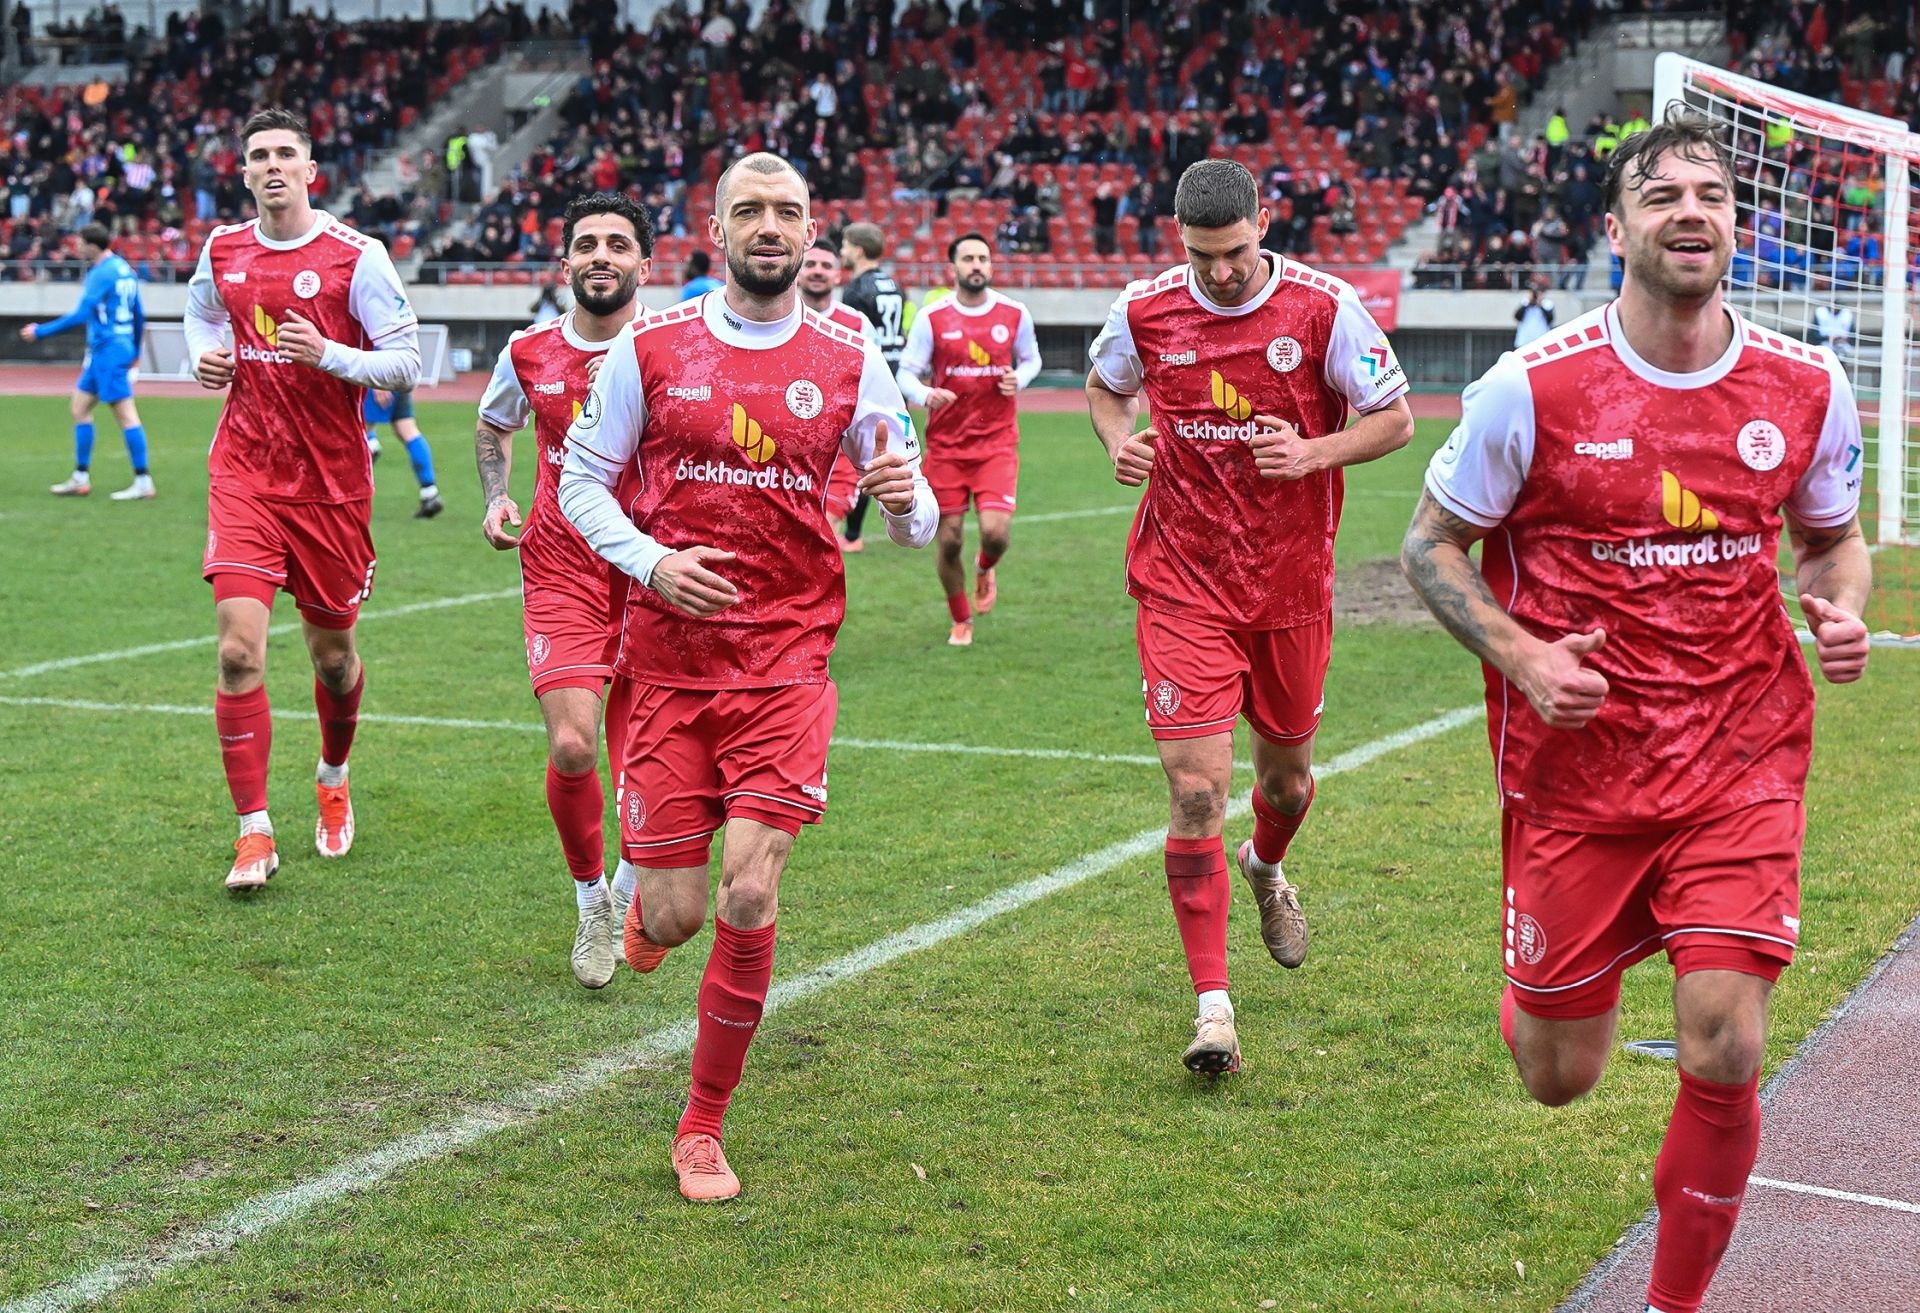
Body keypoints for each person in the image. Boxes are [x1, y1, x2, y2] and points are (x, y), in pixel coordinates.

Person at [1400, 111, 1871, 1313]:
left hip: (1741, 751)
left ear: (1739, 223)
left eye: (1710, 192)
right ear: (1616, 231)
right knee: (1558, 1073)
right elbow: (1430, 544)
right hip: (1578, 776)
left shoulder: (1807, 388)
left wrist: (1838, 605)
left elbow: (1831, 539)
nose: (1691, 211)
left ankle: (1672, 1304)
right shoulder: (1533, 389)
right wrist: (1522, 656)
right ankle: (1540, 986)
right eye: (1661, 195)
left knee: (1726, 1038)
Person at [558, 152, 936, 1202]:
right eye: (749, 211)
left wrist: (906, 501)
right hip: (672, 669)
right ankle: (641, 915)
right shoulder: (650, 346)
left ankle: (701, 1126)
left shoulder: (853, 349)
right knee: (676, 915)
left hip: (787, 663)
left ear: (813, 233)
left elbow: (916, 522)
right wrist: (651, 561)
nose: (770, 226)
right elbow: (580, 481)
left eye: (788, 211)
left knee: (753, 886)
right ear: (716, 232)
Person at [1085, 158, 1414, 1075]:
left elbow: (1393, 420)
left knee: (1286, 787)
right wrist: (1122, 439)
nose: (1221, 273)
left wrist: (1316, 451)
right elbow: (1106, 386)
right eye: (1202, 256)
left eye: (1234, 254)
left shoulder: (1322, 308)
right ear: (1177, 237)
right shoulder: (1146, 308)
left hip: (1290, 589)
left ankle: (1265, 868)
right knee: (1194, 790)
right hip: (1182, 578)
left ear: (1263, 223)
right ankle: (1214, 1009)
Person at [184, 108, 422, 892]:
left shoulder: (358, 256)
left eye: (287, 153)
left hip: (330, 487)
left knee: (334, 656)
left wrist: (332, 355)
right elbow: (199, 313)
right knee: (236, 651)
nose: (274, 165)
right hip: (246, 471)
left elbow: (405, 362)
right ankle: (254, 832)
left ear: (311, 170)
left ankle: (332, 772)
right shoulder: (222, 249)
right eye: (259, 155)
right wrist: (203, 358)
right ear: (245, 171)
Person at [476, 192, 654, 989]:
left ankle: (625, 890)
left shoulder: (674, 346)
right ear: (566, 262)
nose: (601, 255)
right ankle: (590, 902)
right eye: (587, 243)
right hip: (562, 564)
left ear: (644, 264)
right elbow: (492, 424)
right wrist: (495, 494)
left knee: (648, 764)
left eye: (618, 243)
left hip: (657, 572)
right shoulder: (528, 351)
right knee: (575, 745)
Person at [895, 231, 1040, 645]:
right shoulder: (933, 317)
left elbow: (1032, 358)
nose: (976, 265)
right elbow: (906, 372)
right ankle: (961, 618)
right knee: (950, 538)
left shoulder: (1014, 313)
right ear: (953, 267)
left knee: (996, 534)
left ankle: (984, 567)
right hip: (946, 448)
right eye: (968, 258)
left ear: (990, 266)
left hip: (996, 443)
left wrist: (1021, 377)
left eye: (983, 258)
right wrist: (926, 394)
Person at [26, 223, 152, 500]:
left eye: (80, 243)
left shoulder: (101, 273)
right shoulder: (124, 269)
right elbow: (138, 314)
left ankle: (143, 480)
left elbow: (81, 314)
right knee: (79, 407)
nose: (77, 248)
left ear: (92, 245)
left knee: (126, 415)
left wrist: (40, 331)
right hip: (109, 350)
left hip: (109, 350)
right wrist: (135, 349)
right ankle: (80, 477)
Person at [795, 237, 880, 552]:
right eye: (811, 264)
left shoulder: (857, 325)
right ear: (798, 272)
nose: (818, 271)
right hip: (784, 449)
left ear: (838, 275)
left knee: (820, 537)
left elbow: (874, 384)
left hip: (840, 450)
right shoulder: (777, 319)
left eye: (826, 266)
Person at [837, 220, 910, 548]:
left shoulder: (857, 288)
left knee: (861, 453)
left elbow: (851, 333)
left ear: (858, 250)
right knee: (884, 450)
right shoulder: (895, 284)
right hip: (894, 370)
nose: (842, 251)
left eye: (845, 245)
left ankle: (851, 533)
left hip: (870, 373)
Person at [363, 388, 444, 517]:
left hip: (378, 380)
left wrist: (380, 385)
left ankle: (347, 497)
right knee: (407, 430)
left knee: (359, 431)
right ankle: (430, 493)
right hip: (398, 378)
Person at [1514, 280, 1555, 347]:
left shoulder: (1547, 304)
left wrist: (1540, 305)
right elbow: (1517, 317)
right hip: (1524, 341)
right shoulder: (1525, 303)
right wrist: (1528, 304)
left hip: (1541, 341)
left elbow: (1550, 319)